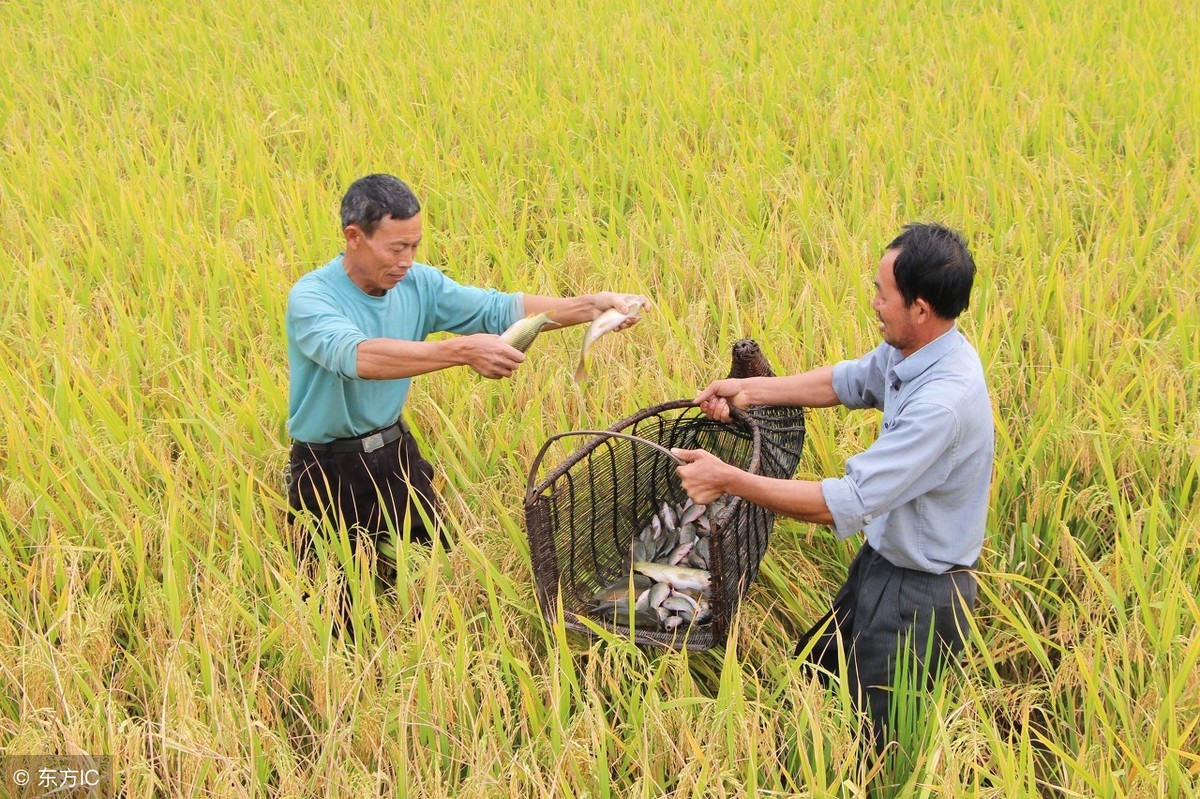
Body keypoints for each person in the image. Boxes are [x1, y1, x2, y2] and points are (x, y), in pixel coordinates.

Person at [672, 223, 992, 748]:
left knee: (868, 747)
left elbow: (842, 504)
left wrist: (727, 478)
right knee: (811, 683)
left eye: (882, 294)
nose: (873, 303)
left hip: (918, 598)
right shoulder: (917, 350)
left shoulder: (942, 404)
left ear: (920, 308)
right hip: (880, 565)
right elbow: (845, 382)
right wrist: (747, 390)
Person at [286, 173, 647, 612]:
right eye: (396, 248)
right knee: (331, 604)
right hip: (327, 468)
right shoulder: (313, 297)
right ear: (354, 237)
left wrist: (590, 307)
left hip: (395, 453)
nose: (407, 260)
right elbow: (359, 357)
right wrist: (462, 350)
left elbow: (498, 309)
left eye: (414, 246)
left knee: (436, 577)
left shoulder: (419, 283)